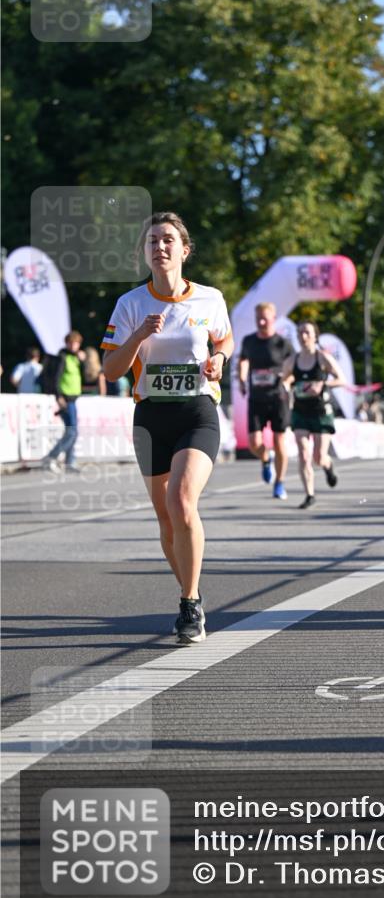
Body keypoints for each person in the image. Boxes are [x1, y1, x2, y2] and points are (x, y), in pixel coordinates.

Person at [101, 211, 233, 645]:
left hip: (196, 411)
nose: (160, 247)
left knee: (181, 501)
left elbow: (224, 338)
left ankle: (190, 604)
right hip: (152, 416)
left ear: (184, 250)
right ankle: (189, 588)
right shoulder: (130, 304)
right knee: (166, 519)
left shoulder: (210, 298)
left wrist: (220, 358)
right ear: (145, 252)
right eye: (152, 241)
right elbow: (110, 368)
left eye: (168, 240)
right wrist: (138, 334)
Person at [286, 321, 345, 509]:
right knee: (304, 454)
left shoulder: (323, 358)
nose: (303, 336)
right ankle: (309, 494)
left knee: (318, 457)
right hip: (300, 411)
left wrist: (322, 385)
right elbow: (284, 378)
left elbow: (341, 379)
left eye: (307, 332)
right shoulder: (292, 360)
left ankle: (328, 466)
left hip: (321, 412)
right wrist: (287, 386)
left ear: (315, 336)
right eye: (300, 332)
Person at [238, 302, 293, 500]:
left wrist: (287, 380)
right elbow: (243, 361)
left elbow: (292, 369)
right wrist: (243, 379)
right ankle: (265, 458)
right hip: (257, 398)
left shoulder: (282, 344)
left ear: (273, 318)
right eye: (258, 318)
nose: (261, 322)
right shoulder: (249, 341)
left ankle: (279, 483)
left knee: (279, 441)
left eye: (265, 318)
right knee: (254, 443)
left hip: (278, 398)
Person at [40, 331, 85, 473]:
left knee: (72, 430)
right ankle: (51, 457)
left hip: (73, 397)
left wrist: (83, 362)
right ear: (66, 343)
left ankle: (70, 462)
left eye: (76, 343)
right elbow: (56, 378)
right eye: (71, 343)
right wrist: (58, 396)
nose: (73, 345)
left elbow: (84, 376)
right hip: (65, 398)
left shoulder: (76, 358)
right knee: (72, 431)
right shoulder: (62, 357)